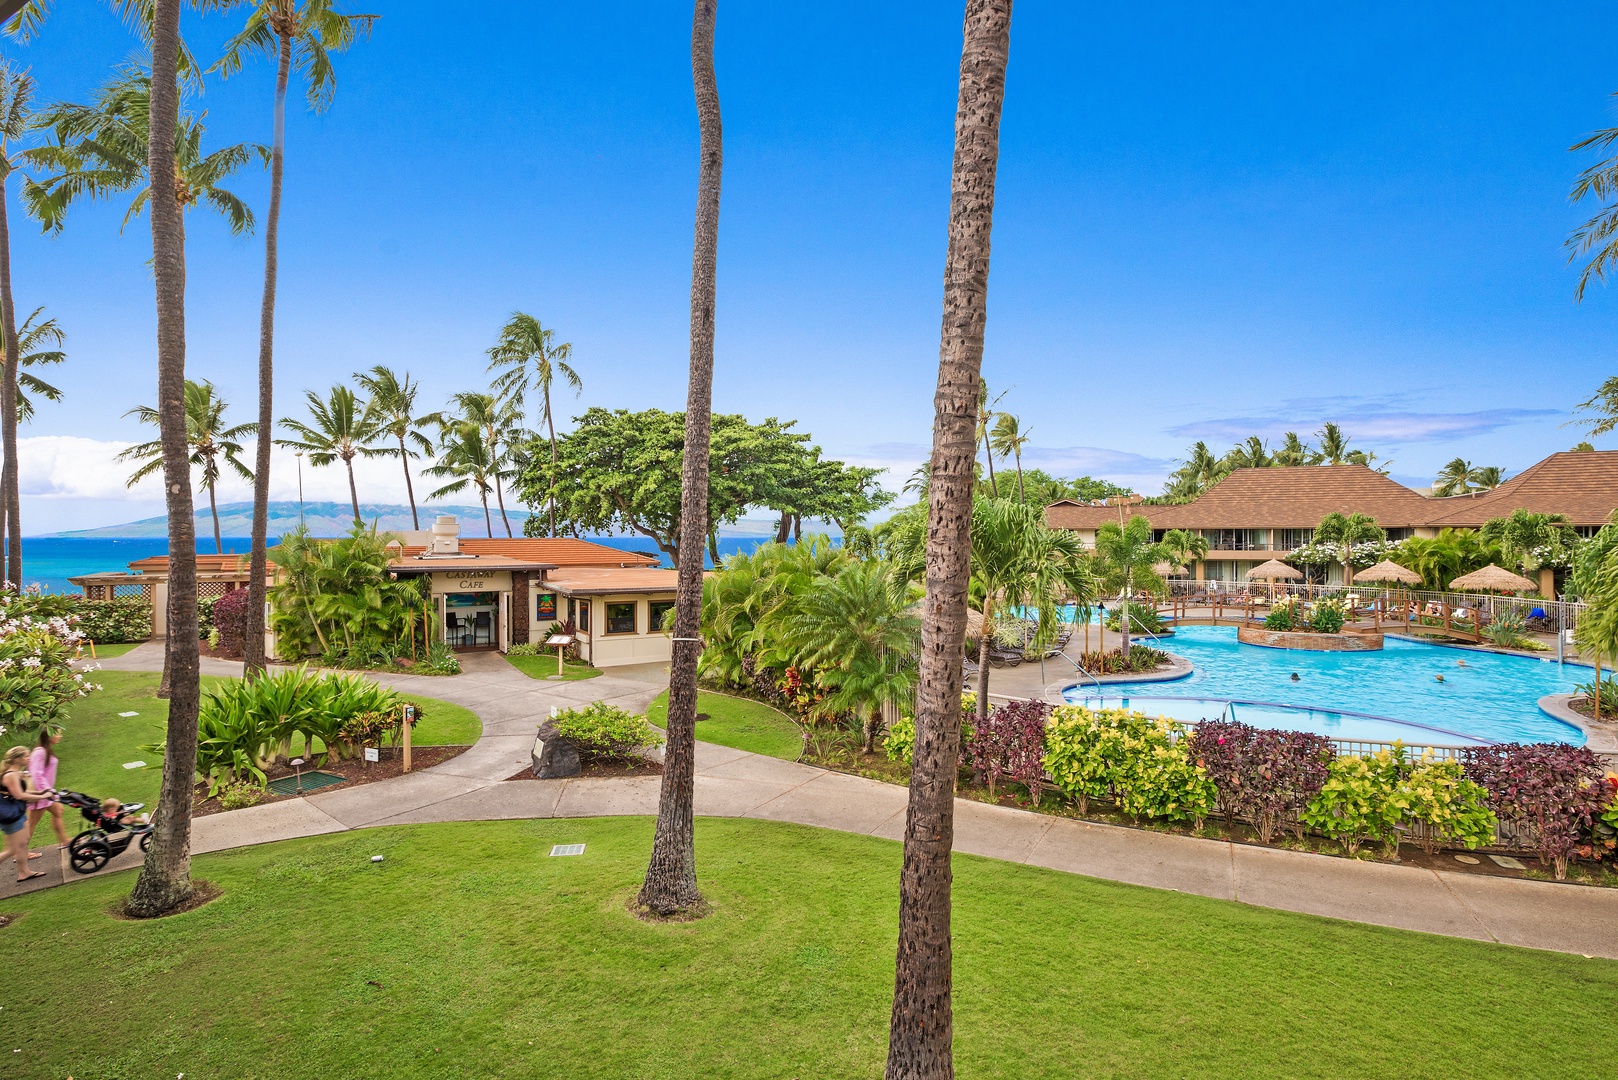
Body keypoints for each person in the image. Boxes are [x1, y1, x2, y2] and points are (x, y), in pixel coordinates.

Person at [1, 746, 55, 882]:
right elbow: (19, 795)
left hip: (18, 813)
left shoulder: (16, 773)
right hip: (11, 816)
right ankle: (23, 872)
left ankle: (24, 872)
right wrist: (43, 797)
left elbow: (20, 792)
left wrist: (41, 792)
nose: (29, 758)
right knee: (11, 849)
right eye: (26, 756)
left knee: (23, 843)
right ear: (17, 759)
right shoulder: (11, 775)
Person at [26, 727, 68, 855]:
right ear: (49, 736)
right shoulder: (40, 752)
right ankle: (21, 852)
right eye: (57, 734)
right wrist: (47, 791)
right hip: (41, 795)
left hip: (47, 794)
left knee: (58, 811)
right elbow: (36, 774)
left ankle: (64, 841)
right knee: (31, 824)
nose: (60, 736)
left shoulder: (46, 751)